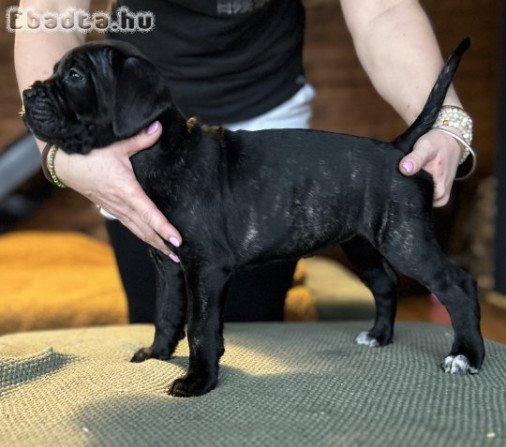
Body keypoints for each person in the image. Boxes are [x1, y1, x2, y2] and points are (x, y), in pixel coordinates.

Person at [15, 0, 473, 323]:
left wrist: (447, 121)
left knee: (254, 328)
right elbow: (49, 12)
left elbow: (383, 9)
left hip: (264, 134)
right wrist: (60, 153)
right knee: (162, 330)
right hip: (131, 140)